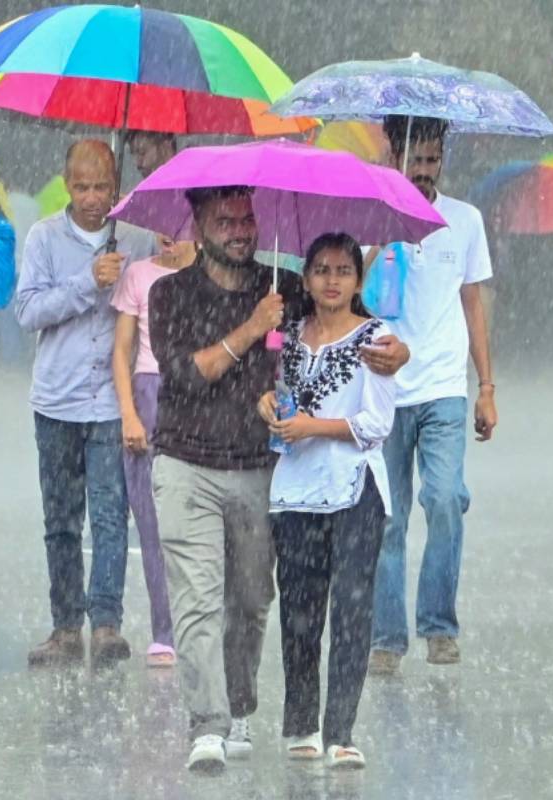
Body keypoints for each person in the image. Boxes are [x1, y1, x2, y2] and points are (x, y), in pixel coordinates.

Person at [147, 186, 408, 772]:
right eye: (225, 220)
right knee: (195, 601)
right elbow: (188, 377)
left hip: (259, 470)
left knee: (252, 599)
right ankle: (208, 725)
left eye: (247, 219)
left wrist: (402, 352)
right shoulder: (170, 292)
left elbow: (348, 322)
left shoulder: (285, 287)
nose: (240, 230)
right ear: (198, 226)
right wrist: (249, 329)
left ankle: (242, 708)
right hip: (184, 463)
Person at [257, 233, 396, 769]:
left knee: (352, 608)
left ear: (358, 280)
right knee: (298, 611)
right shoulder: (286, 333)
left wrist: (315, 426)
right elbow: (274, 395)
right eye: (321, 270)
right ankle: (300, 724)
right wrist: (268, 403)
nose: (331, 280)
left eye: (343, 270)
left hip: (354, 487)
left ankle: (341, 730)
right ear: (307, 277)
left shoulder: (378, 338)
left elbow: (376, 424)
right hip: (294, 489)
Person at [15, 140, 155, 669]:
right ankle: (65, 625)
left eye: (102, 186)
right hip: (57, 401)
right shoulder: (45, 237)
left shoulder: (137, 241)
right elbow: (28, 312)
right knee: (61, 520)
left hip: (112, 402)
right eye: (82, 186)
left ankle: (108, 623)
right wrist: (86, 281)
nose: (92, 198)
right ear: (67, 184)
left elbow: (150, 308)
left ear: (116, 184)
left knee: (111, 517)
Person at [369, 116, 497, 676]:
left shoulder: (464, 220)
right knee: (387, 519)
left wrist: (486, 386)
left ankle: (439, 625)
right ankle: (386, 638)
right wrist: (385, 229)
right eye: (413, 160)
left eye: (431, 160)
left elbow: (473, 304)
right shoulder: (369, 213)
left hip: (445, 387)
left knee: (444, 500)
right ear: (391, 153)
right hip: (382, 389)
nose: (423, 171)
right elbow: (348, 289)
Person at [111, 234, 195, 668]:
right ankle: (165, 629)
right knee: (151, 521)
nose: (170, 232)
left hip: (197, 397)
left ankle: (200, 626)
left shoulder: (209, 275)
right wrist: (128, 412)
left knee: (197, 522)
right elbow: (122, 351)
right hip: (147, 394)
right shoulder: (139, 274)